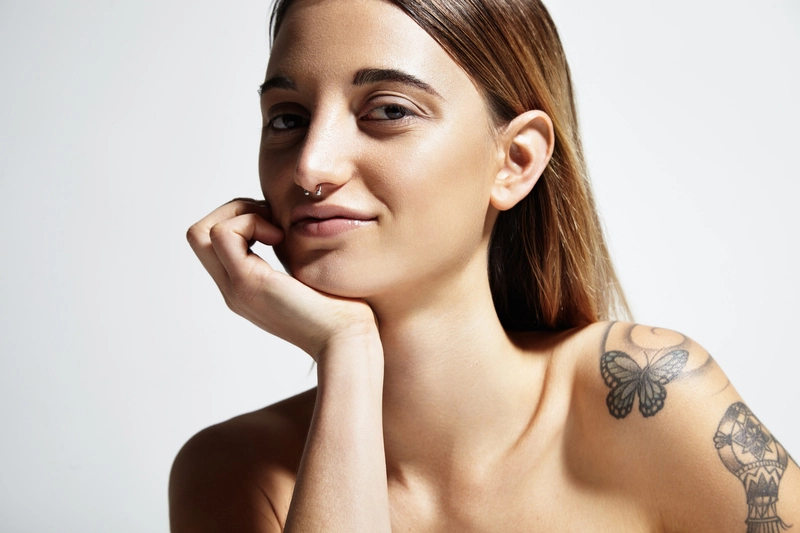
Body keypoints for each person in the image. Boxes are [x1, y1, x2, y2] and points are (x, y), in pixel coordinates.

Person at [169, 0, 799, 530]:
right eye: (287, 118)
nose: (310, 165)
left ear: (515, 161)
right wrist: (348, 350)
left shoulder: (645, 394)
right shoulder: (233, 471)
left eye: (388, 110)